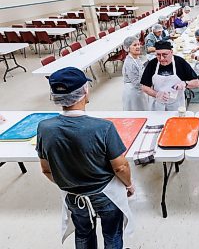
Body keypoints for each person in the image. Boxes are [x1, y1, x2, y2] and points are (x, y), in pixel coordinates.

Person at [37, 67, 134, 248]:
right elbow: (121, 167)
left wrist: (73, 184)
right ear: (84, 92)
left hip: (74, 197)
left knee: (83, 235)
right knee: (112, 234)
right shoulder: (103, 128)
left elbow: (46, 169)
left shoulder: (44, 128)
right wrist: (128, 185)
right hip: (106, 194)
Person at [140, 41, 199, 111]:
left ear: (171, 52)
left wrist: (185, 84)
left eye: (165, 55)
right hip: (157, 106)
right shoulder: (152, 64)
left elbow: (196, 82)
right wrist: (156, 94)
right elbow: (144, 87)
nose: (161, 58)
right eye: (158, 55)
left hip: (176, 105)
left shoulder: (180, 63)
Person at [122, 36, 148, 111]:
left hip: (138, 90)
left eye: (138, 44)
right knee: (136, 114)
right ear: (128, 48)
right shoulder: (130, 63)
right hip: (133, 92)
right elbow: (137, 83)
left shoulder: (136, 58)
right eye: (134, 45)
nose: (138, 47)